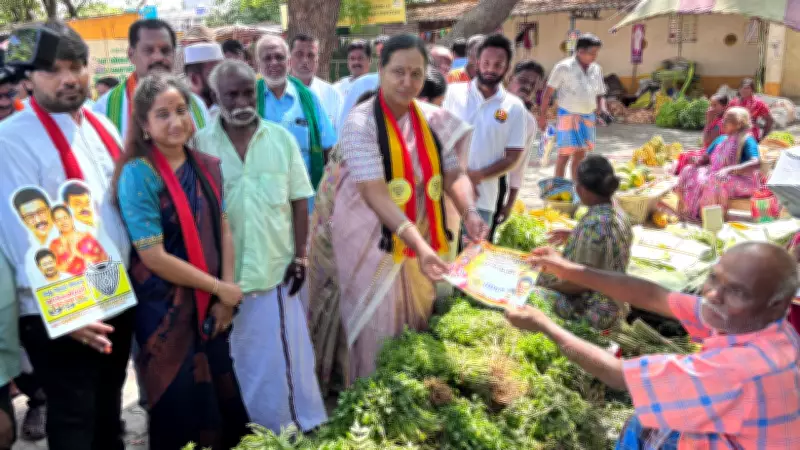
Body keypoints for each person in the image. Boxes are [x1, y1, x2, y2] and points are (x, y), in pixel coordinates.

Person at [305, 34, 485, 393]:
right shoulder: (361, 123)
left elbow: (452, 172)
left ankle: (408, 389)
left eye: (416, 74)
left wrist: (470, 211)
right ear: (381, 72)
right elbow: (373, 191)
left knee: (413, 317)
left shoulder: (430, 119)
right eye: (398, 72)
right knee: (374, 319)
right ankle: (370, 395)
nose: (407, 82)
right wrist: (418, 244)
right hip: (369, 241)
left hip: (416, 240)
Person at [508, 241, 800, 449]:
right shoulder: (761, 324)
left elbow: (618, 375)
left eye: (735, 291)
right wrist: (569, 269)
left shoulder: (740, 369)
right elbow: (655, 297)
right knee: (647, 423)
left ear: (776, 303)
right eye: (713, 277)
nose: (712, 294)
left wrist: (543, 324)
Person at [0, 20, 133, 450]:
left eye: (76, 66)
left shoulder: (100, 126)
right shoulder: (11, 139)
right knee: (75, 421)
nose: (69, 79)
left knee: (107, 416)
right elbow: (23, 234)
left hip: (111, 290)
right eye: (53, 70)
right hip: (56, 307)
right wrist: (70, 314)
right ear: (29, 78)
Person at [115, 73, 249, 449]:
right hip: (164, 311)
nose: (176, 122)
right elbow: (153, 256)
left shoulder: (206, 165)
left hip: (210, 307)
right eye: (162, 115)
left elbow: (223, 229)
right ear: (143, 125)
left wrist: (225, 297)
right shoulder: (138, 174)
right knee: (176, 405)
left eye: (181, 110)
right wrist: (220, 288)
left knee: (222, 395)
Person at [196, 60, 327, 433]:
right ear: (215, 98)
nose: (241, 102)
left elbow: (300, 200)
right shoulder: (201, 144)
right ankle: (254, 432)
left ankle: (297, 424)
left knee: (285, 359)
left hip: (276, 271)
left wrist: (301, 256)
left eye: (246, 92)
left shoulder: (280, 139)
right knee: (241, 361)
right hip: (226, 281)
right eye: (230, 94)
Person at [531, 155, 632, 330]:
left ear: (582, 190)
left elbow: (580, 284)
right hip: (617, 302)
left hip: (595, 310)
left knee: (529, 294)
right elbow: (606, 239)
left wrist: (545, 283)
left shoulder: (592, 225)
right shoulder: (618, 212)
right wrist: (574, 235)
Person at [443, 34, 527, 237]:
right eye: (486, 63)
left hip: (483, 199)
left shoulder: (514, 107)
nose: (491, 69)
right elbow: (436, 139)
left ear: (507, 67)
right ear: (477, 62)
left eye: (498, 64)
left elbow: (513, 158)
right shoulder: (452, 93)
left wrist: (476, 176)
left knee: (473, 261)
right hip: (444, 194)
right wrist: (459, 178)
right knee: (443, 260)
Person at [254, 34, 336, 210]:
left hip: (306, 199)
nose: (274, 62)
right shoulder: (249, 98)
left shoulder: (308, 98)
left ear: (288, 61)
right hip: (262, 200)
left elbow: (328, 148)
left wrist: (331, 193)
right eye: (267, 58)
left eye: (279, 57)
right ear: (258, 64)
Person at [94, 19, 209, 137]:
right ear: (131, 54)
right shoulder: (104, 108)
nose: (158, 57)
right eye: (148, 50)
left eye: (165, 51)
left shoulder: (196, 105)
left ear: (174, 55)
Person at [540, 33, 609, 181]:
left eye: (596, 53)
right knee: (564, 155)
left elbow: (600, 93)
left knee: (580, 156)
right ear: (580, 51)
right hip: (568, 116)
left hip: (587, 117)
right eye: (592, 53)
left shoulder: (596, 69)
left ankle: (577, 189)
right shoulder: (563, 67)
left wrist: (603, 109)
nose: (595, 56)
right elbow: (547, 94)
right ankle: (558, 188)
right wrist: (542, 116)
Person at [676, 107, 761, 220]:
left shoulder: (746, 139)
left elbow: (756, 163)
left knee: (715, 180)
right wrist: (696, 160)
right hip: (718, 174)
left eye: (727, 120)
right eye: (723, 119)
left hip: (743, 181)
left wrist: (728, 169)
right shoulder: (721, 139)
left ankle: (710, 219)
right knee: (688, 170)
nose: (723, 122)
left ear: (739, 124)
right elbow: (705, 158)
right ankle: (688, 210)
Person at [495, 60, 545, 227]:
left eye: (533, 84)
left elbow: (519, 166)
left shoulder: (529, 122)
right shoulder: (491, 106)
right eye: (523, 80)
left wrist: (509, 204)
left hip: (498, 185)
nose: (527, 87)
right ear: (510, 78)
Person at [289, 34, 343, 133]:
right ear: (289, 58)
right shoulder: (274, 93)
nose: (305, 60)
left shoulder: (332, 95)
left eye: (311, 55)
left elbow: (339, 137)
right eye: (299, 54)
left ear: (317, 60)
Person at [337, 37, 389, 127]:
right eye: (352, 58)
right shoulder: (337, 87)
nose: (356, 62)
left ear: (370, 60)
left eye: (360, 58)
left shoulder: (380, 85)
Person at [183, 42, 224, 113]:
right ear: (194, 79)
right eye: (215, 75)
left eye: (223, 73)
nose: (223, 80)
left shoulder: (228, 109)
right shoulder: (183, 112)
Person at [729, 78, 773, 142]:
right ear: (739, 89)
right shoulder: (733, 102)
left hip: (750, 136)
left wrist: (763, 138)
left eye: (747, 88)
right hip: (733, 134)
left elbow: (770, 120)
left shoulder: (758, 103)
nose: (744, 90)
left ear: (752, 90)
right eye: (742, 87)